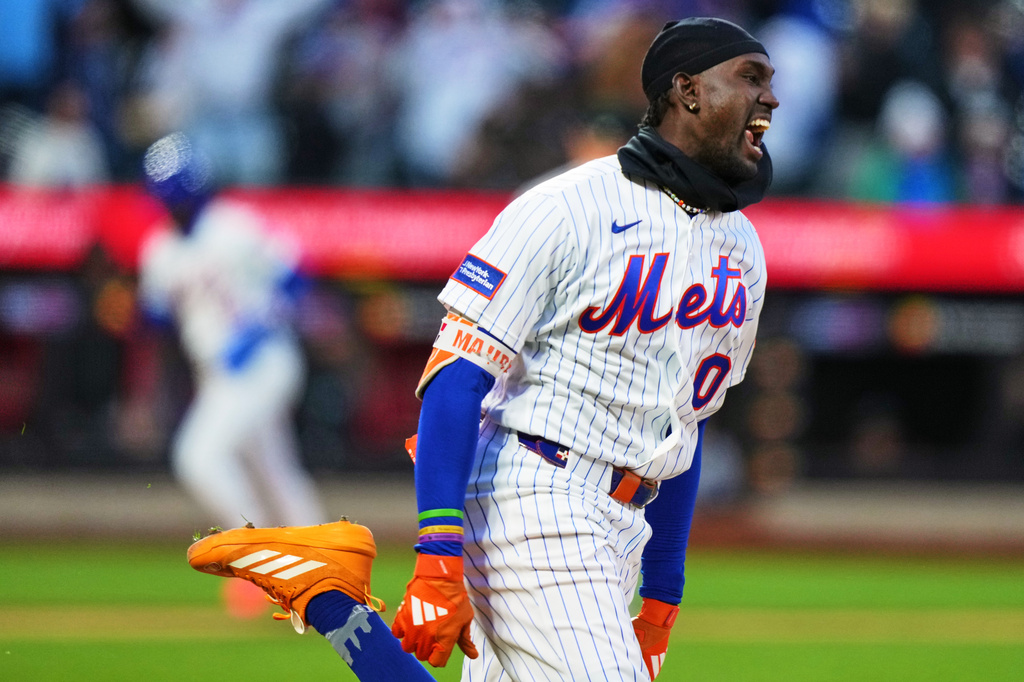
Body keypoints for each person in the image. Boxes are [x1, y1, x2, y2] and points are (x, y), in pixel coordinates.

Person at [186, 16, 778, 681]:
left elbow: (684, 430)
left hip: (622, 524)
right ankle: (328, 594)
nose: (772, 99)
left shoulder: (743, 250)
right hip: (536, 499)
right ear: (688, 91)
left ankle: (330, 598)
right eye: (751, 78)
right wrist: (437, 550)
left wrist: (663, 596)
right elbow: (455, 378)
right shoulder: (565, 207)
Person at [138, 132, 326, 531]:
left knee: (197, 456)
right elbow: (156, 319)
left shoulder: (233, 225)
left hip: (264, 360)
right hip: (214, 371)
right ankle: (328, 563)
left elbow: (296, 276)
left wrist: (259, 328)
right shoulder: (158, 250)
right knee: (275, 472)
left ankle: (253, 544)